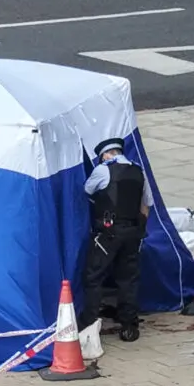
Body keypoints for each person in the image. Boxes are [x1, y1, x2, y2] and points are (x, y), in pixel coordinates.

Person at [79, 137, 149, 342]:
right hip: (133, 232)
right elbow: (146, 206)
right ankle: (129, 326)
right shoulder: (138, 171)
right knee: (128, 279)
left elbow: (87, 191)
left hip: (108, 233)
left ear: (106, 155)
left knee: (93, 276)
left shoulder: (103, 170)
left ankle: (89, 322)